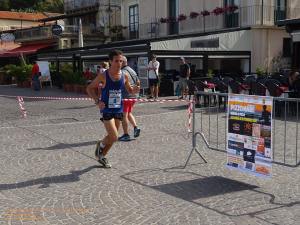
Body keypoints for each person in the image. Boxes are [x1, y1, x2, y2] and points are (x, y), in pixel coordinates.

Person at [86, 50, 140, 168]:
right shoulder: (103, 75)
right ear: (110, 61)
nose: (119, 63)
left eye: (121, 61)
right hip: (107, 110)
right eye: (116, 61)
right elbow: (89, 88)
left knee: (113, 138)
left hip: (118, 109)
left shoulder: (124, 76)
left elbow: (129, 90)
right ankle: (100, 145)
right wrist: (97, 101)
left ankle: (102, 156)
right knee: (114, 136)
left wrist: (134, 90)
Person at [118, 56, 141, 141]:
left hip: (125, 96)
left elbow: (120, 85)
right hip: (133, 96)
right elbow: (138, 82)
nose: (118, 63)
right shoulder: (132, 70)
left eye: (119, 61)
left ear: (123, 62)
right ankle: (135, 127)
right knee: (129, 113)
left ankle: (126, 134)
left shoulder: (122, 72)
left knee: (124, 115)